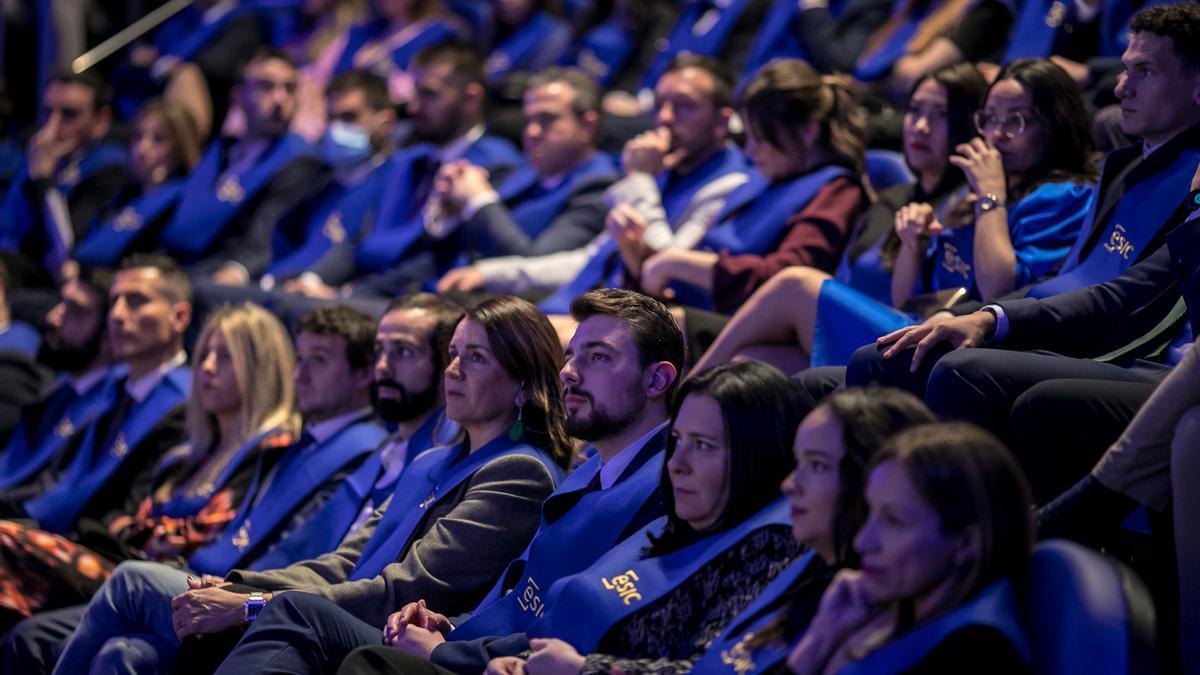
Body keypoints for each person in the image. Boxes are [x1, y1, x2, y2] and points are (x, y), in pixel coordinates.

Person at [48, 296, 570, 674]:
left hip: (373, 633)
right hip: (321, 605)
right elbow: (345, 561)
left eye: (475, 358)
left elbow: (402, 589)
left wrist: (249, 606)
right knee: (127, 655)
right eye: (453, 353)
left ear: (523, 382)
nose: (453, 370)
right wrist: (240, 585)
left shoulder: (518, 472)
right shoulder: (433, 461)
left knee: (136, 580)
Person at [2, 303, 409, 675]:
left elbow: (322, 564)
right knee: (122, 654)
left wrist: (243, 596)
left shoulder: (355, 453)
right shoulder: (308, 445)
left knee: (126, 581)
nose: (299, 373)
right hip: (242, 589)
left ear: (364, 375)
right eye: (299, 359)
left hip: (263, 601)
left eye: (318, 361)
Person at [361, 288, 685, 671]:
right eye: (570, 356)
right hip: (485, 649)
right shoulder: (589, 471)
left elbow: (579, 620)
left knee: (354, 653)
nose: (568, 372)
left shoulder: (672, 487)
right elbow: (519, 596)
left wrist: (444, 651)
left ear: (657, 380)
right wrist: (449, 628)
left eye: (598, 357)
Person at [464, 361, 803, 675]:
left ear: (759, 453)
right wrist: (521, 663)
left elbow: (715, 669)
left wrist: (583, 670)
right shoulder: (673, 526)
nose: (676, 463)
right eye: (677, 440)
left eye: (703, 445)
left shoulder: (770, 549)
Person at [0, 303, 300, 630]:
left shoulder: (269, 452)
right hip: (127, 565)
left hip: (180, 584)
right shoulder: (188, 453)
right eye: (204, 356)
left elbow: (200, 536)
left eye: (226, 357)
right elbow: (141, 523)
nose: (208, 368)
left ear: (261, 369)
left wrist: (133, 529)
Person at [691, 63, 987, 375]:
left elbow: (918, 302)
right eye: (914, 109)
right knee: (745, 366)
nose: (921, 126)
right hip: (860, 332)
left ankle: (684, 397)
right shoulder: (892, 196)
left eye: (940, 114)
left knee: (794, 282)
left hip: (905, 342)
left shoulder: (970, 204)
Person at [436, 55, 749, 308]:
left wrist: (640, 179)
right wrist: (489, 272)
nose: (665, 118)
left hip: (638, 321)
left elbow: (668, 268)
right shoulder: (667, 172)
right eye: (660, 104)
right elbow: (592, 258)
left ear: (723, 121)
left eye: (684, 105)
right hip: (585, 303)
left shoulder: (728, 185)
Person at [685, 387, 936, 675]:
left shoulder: (875, 615)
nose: (790, 484)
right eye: (797, 462)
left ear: (871, 481)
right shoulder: (802, 567)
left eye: (817, 465)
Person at [787, 422, 1035, 674]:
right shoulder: (904, 621)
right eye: (869, 512)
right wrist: (822, 637)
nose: (862, 541)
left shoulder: (971, 656)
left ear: (966, 543)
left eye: (893, 521)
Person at [637, 58, 868, 322]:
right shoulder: (763, 178)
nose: (749, 151)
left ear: (807, 130)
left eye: (760, 138)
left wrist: (676, 263)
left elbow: (788, 277)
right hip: (692, 306)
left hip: (744, 324)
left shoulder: (838, 190)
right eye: (747, 137)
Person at [288, 42, 524, 300]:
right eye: (415, 94)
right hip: (366, 291)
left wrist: (347, 294)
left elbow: (433, 261)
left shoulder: (493, 165)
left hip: (422, 301)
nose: (413, 108)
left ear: (471, 99)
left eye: (429, 94)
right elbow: (360, 240)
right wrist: (314, 279)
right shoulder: (409, 161)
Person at [0, 255, 193, 535]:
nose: (117, 315)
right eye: (115, 301)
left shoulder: (184, 404)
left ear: (179, 317)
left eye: (136, 300)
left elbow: (131, 511)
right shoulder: (113, 392)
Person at [421, 67, 617, 267]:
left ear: (587, 127)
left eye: (547, 119)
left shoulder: (598, 188)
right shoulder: (524, 170)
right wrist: (452, 212)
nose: (531, 132)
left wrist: (478, 200)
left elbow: (537, 268)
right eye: (528, 120)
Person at [160, 48, 323, 285]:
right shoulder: (221, 149)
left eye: (289, 88)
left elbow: (265, 234)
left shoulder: (299, 160)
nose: (280, 99)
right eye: (266, 87)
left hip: (224, 270)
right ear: (238, 96)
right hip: (178, 260)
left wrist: (236, 271)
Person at [260, 69, 399, 287]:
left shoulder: (396, 180)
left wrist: (312, 280)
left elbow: (364, 252)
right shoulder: (318, 180)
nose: (336, 130)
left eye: (349, 117)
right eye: (331, 118)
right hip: (280, 282)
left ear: (385, 124)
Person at [0, 71, 130, 290]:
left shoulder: (111, 168)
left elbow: (66, 246)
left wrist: (42, 180)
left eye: (69, 114)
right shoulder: (30, 151)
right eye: (47, 112)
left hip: (49, 284)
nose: (52, 126)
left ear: (101, 119)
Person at [0, 267, 112, 490]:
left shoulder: (108, 410)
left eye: (76, 311)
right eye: (62, 303)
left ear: (111, 331)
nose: (52, 317)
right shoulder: (63, 392)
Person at [71, 100, 203, 269]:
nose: (142, 148)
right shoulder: (123, 195)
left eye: (158, 140)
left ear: (180, 147)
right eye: (139, 136)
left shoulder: (183, 201)